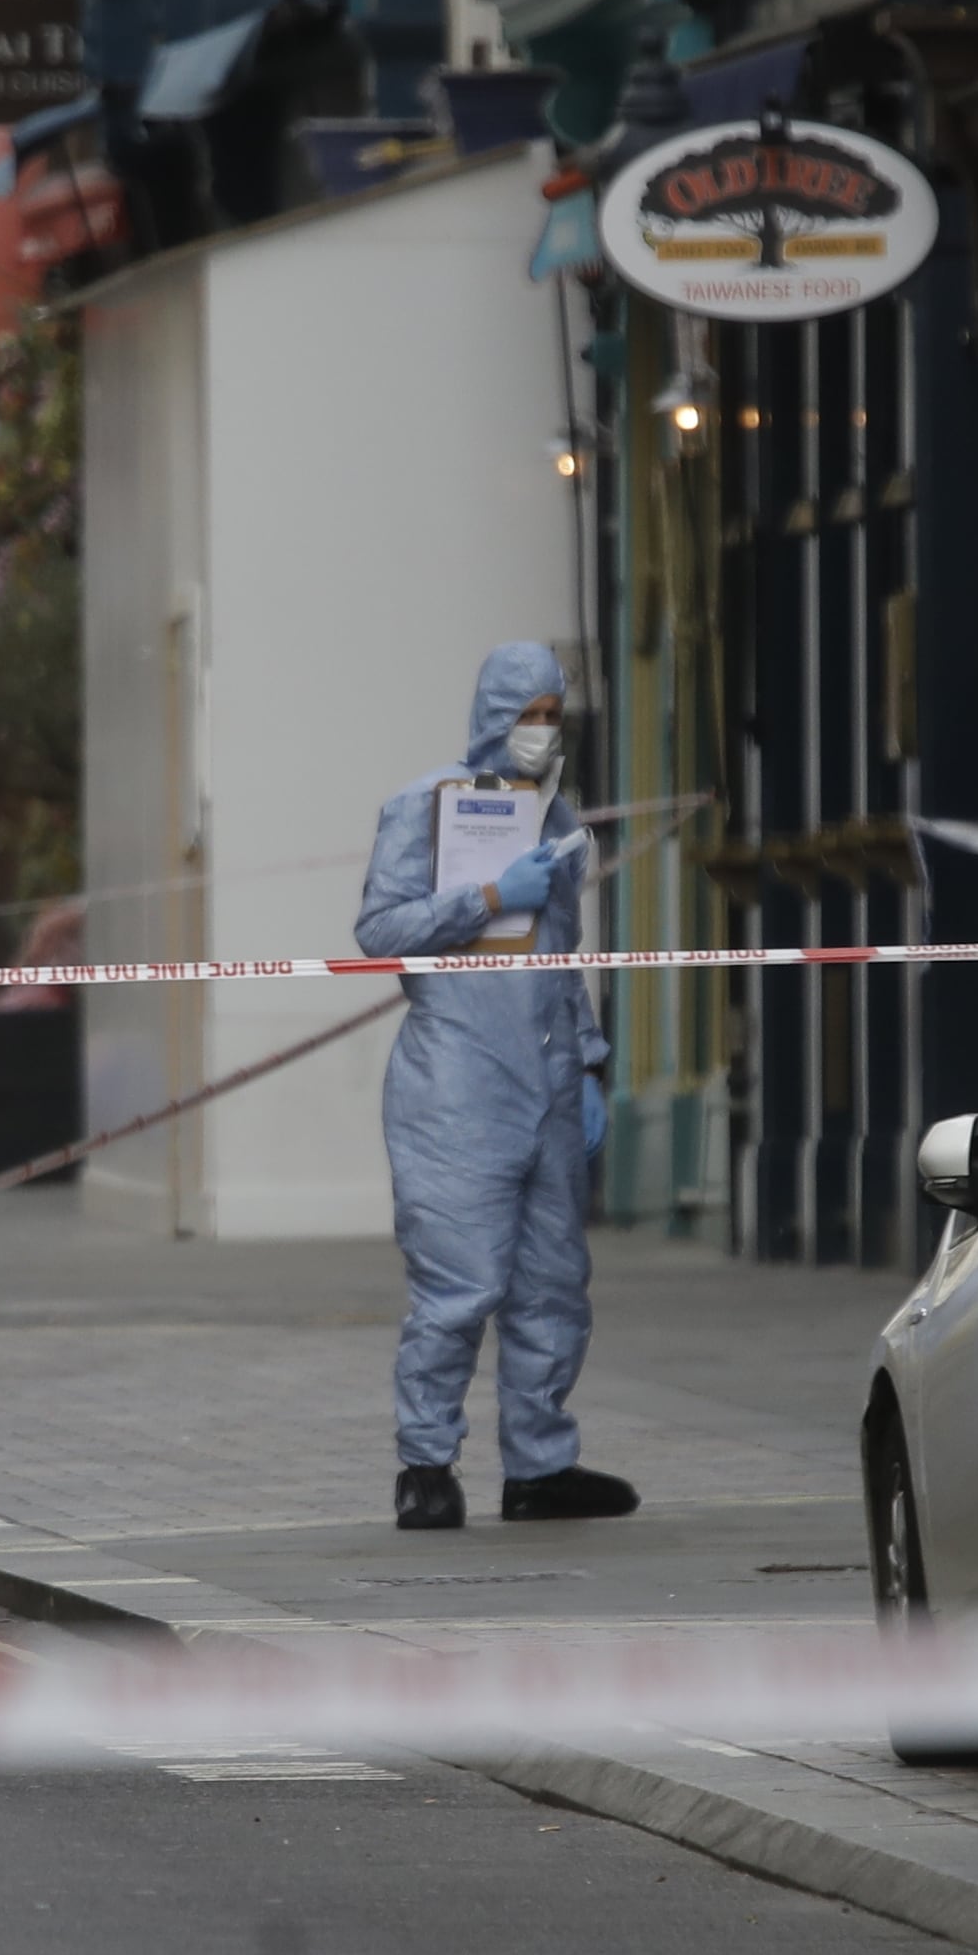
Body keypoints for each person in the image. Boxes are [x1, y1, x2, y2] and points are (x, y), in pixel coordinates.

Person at [352, 641, 629, 1533]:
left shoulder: (557, 822)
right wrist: (484, 895)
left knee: (554, 1283)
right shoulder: (426, 808)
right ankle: (426, 1464)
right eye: (528, 717)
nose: (542, 735)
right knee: (459, 1285)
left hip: (546, 1079)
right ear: (492, 718)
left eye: (554, 717)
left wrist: (586, 1062)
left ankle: (539, 1464)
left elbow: (560, 962)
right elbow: (381, 928)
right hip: (458, 1083)